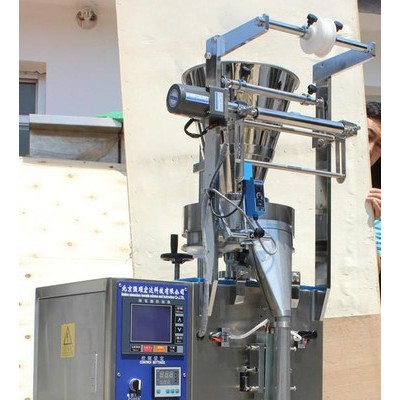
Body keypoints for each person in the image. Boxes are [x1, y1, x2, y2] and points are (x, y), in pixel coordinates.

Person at [365, 101, 381, 280]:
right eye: (368, 136)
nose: (370, 149)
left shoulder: (379, 203)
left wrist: (369, 224)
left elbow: (373, 275)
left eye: (379, 146)